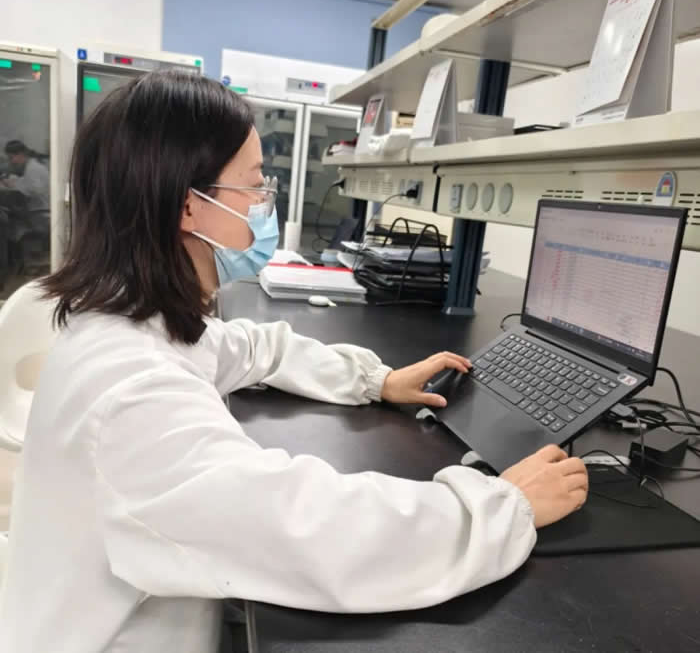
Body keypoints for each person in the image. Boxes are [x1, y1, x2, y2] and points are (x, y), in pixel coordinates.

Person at [0, 71, 588, 652]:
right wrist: (503, 506)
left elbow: (253, 348)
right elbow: (319, 532)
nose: (265, 203)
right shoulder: (133, 394)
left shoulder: (130, 318)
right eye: (255, 184)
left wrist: (375, 379)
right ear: (189, 206)